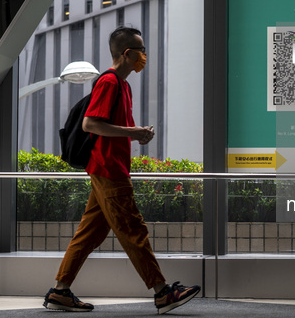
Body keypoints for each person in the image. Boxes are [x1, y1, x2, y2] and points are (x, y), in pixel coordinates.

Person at [43, 27, 200, 314]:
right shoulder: (110, 82)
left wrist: (135, 134)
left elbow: (107, 126)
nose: (144, 55)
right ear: (127, 54)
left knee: (89, 234)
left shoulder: (123, 85)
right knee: (133, 230)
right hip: (108, 169)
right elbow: (91, 123)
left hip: (108, 168)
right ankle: (163, 293)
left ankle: (59, 292)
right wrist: (135, 131)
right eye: (140, 50)